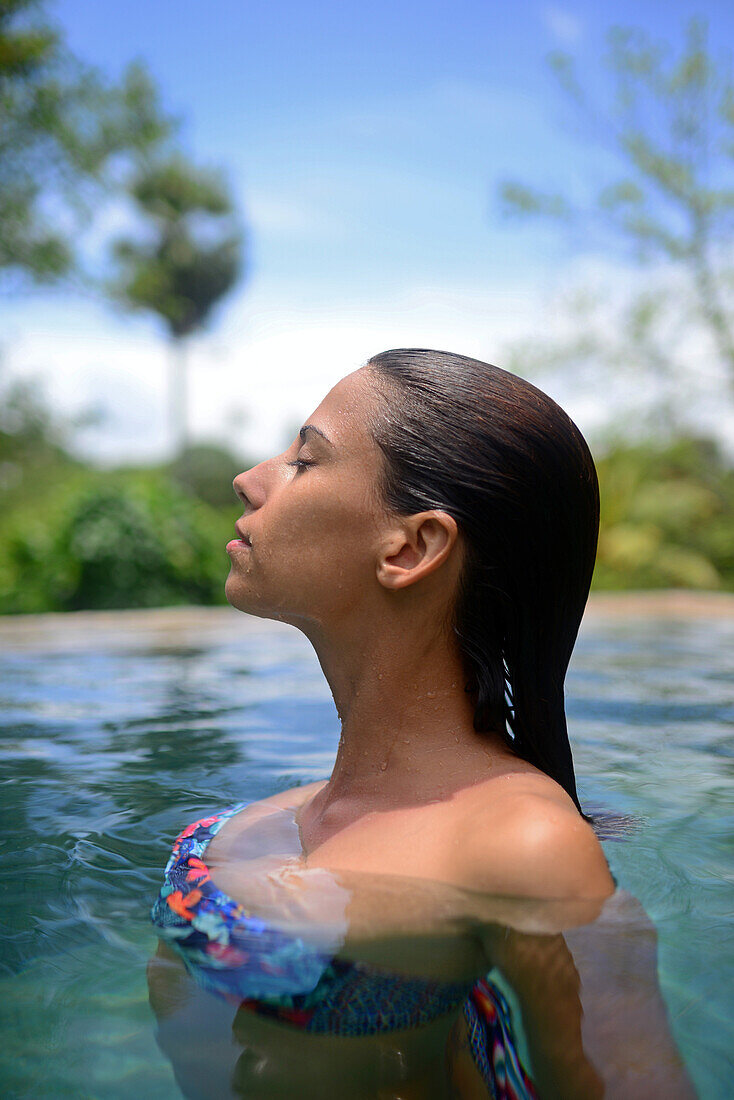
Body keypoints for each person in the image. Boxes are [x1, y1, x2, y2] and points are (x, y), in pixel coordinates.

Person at [149, 349, 695, 1098]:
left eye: (306, 461)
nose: (251, 478)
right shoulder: (297, 811)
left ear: (411, 547)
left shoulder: (520, 843)